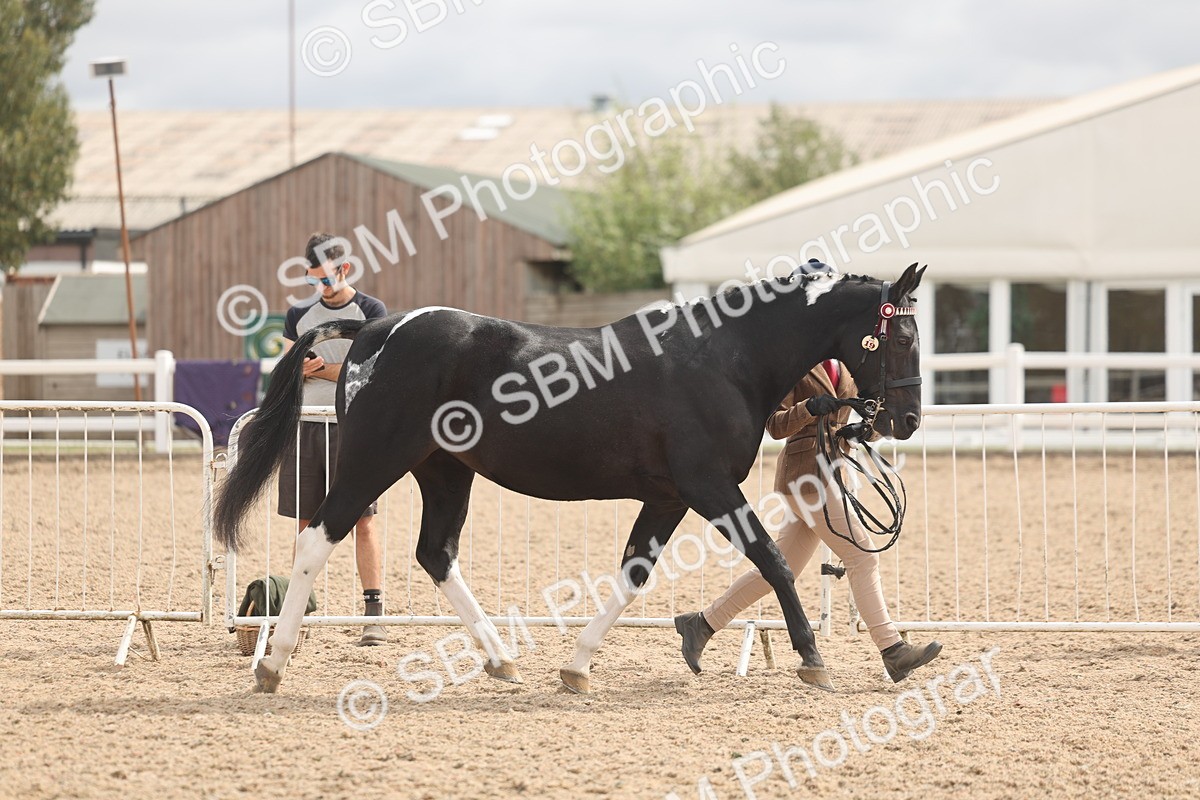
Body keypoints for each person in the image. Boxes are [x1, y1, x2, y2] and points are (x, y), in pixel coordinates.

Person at [673, 277, 941, 687]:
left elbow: (852, 416)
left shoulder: (850, 361)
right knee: (862, 557)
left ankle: (701, 624)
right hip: (806, 473)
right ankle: (893, 650)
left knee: (778, 570)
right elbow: (776, 426)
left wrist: (861, 430)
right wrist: (808, 408)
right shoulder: (794, 361)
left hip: (834, 466)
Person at [279, 232, 388, 646]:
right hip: (306, 424)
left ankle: (374, 614)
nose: (317, 288)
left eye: (323, 280)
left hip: (354, 426)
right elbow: (288, 366)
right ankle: (297, 613)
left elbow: (368, 373)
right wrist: (319, 368)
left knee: (363, 521)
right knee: (306, 524)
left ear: (344, 270)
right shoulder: (297, 314)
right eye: (311, 281)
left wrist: (322, 368)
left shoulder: (372, 311)